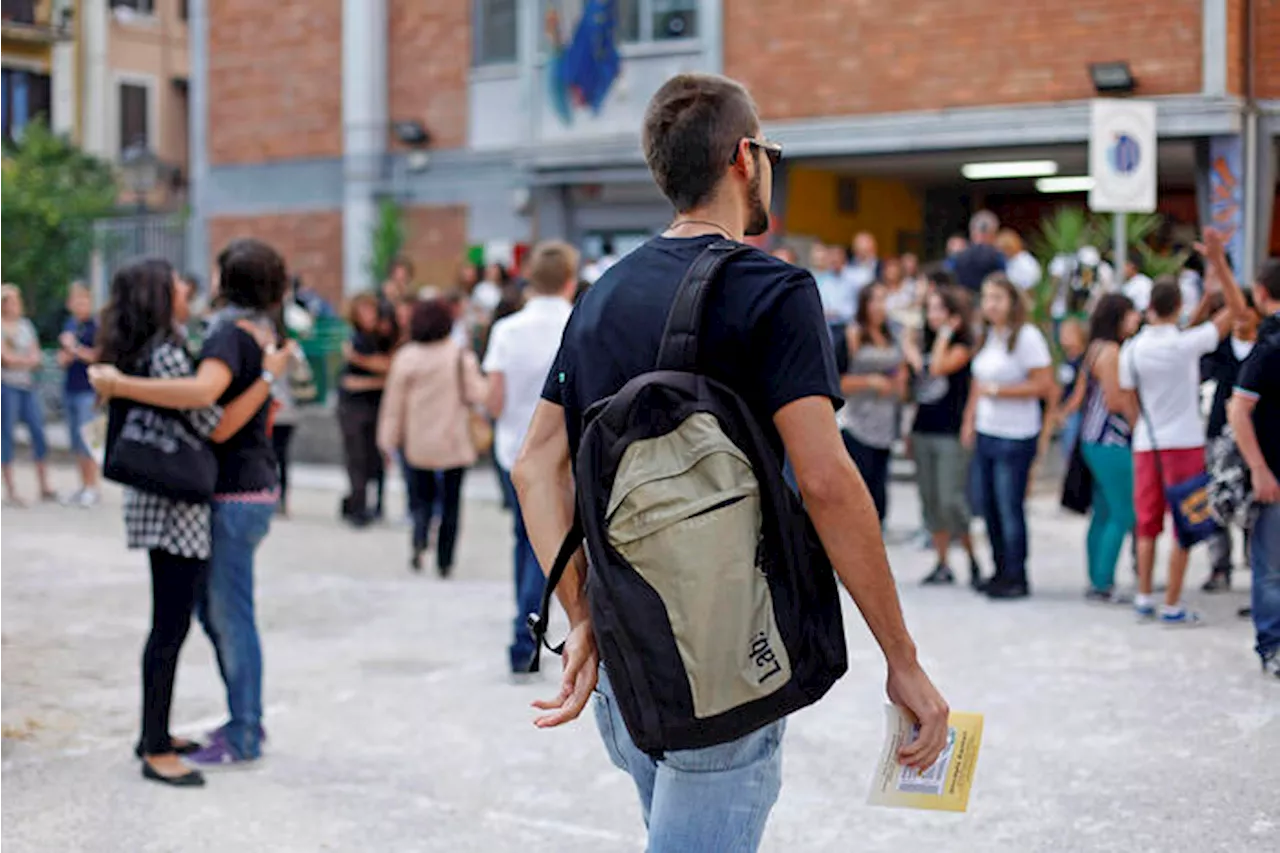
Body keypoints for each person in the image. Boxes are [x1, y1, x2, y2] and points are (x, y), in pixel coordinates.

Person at [513, 72, 949, 851]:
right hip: (729, 656)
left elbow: (534, 464)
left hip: (625, 651)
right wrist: (902, 658)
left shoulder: (602, 294)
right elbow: (825, 480)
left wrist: (581, 615)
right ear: (745, 158)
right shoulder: (773, 290)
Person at [93, 239, 294, 767]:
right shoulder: (253, 332)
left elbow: (213, 412)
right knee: (201, 617)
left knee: (221, 617)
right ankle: (197, 731)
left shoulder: (225, 334)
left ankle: (240, 731)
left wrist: (121, 385)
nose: (190, 285)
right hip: (222, 491)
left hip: (229, 492)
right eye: (178, 282)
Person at [1119, 232, 1247, 625]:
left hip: (1147, 444)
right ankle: (1172, 603)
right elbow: (1239, 312)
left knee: (1147, 523)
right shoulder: (1187, 345)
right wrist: (1220, 270)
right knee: (1184, 525)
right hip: (1186, 444)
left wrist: (1141, 425)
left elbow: (1126, 399)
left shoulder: (1132, 349)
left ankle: (1144, 596)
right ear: (1178, 306)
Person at [482, 241, 577, 675]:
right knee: (560, 544)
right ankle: (550, 630)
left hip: (513, 450)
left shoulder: (507, 330)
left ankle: (524, 635)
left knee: (525, 539)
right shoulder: (577, 323)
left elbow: (495, 400)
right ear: (570, 280)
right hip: (567, 453)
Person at [377, 298, 488, 577]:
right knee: (451, 502)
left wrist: (388, 439)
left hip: (417, 441)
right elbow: (478, 394)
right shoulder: (459, 356)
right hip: (453, 439)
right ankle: (445, 560)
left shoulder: (407, 356)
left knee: (420, 497)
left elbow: (394, 404)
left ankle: (419, 537)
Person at [962, 273, 1055, 600]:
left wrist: (1001, 391)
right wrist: (970, 419)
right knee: (988, 507)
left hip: (1015, 435)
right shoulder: (989, 335)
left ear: (1012, 302)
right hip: (988, 430)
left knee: (1008, 506)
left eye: (998, 298)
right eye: (987, 297)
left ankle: (1016, 574)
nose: (991, 304)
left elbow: (1044, 384)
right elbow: (977, 382)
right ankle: (999, 569)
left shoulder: (1026, 337)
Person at [1066, 294, 1141, 601]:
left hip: (1092, 440)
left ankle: (1097, 578)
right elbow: (1115, 400)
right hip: (1111, 441)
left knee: (1103, 512)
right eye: (1132, 313)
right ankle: (1103, 582)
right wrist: (1140, 424)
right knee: (1124, 512)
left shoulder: (1095, 348)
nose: (1137, 319)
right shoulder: (1110, 352)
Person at [1227, 257, 1280, 679]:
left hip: (1272, 472)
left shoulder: (1270, 343)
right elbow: (1239, 410)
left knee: (1270, 568)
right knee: (1270, 567)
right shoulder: (1269, 344)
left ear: (1261, 294)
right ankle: (1273, 644)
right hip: (1274, 477)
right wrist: (1260, 469)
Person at [909, 286, 980, 586]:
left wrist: (945, 334)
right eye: (931, 309)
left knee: (951, 499)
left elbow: (938, 367)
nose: (933, 315)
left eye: (940, 309)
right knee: (930, 500)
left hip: (950, 432)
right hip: (923, 428)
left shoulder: (960, 345)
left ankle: (973, 557)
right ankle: (942, 563)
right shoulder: (924, 341)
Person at [1196, 288, 1261, 591]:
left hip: (1256, 436)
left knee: (1256, 504)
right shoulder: (1219, 348)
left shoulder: (1266, 349)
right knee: (1218, 500)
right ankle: (1219, 566)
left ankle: (1256, 567)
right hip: (1220, 433)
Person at [839, 283, 906, 522]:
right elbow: (838, 381)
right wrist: (870, 381)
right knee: (860, 493)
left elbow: (901, 368)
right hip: (857, 422)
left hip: (886, 422)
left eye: (883, 300)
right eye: (874, 300)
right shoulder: (853, 332)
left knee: (879, 495)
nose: (879, 306)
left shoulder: (893, 333)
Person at [338, 293, 391, 527]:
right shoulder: (355, 338)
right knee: (357, 457)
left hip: (376, 404)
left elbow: (390, 366)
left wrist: (361, 362)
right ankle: (357, 506)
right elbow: (349, 382)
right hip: (353, 406)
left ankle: (373, 504)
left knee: (375, 458)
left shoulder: (382, 338)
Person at [0, 283, 54, 505]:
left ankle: (44, 486)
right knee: (6, 436)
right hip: (7, 387)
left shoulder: (25, 326)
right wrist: (25, 361)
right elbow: (6, 360)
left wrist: (19, 361)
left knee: (38, 432)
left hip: (27, 387)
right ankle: (10, 490)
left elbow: (36, 357)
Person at [57, 283, 102, 507]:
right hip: (71, 388)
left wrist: (74, 348)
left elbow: (99, 356)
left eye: (83, 300)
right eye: (76, 300)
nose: (79, 305)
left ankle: (93, 487)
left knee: (90, 440)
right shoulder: (70, 325)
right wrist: (65, 355)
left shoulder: (97, 326)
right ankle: (83, 485)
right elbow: (62, 359)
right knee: (76, 441)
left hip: (89, 391)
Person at [949, 211, 1006, 291]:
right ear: (994, 234)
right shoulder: (998, 256)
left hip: (963, 299)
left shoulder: (958, 256)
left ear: (972, 233)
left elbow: (947, 273)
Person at [844, 231, 881, 301]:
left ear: (873, 249)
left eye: (865, 251)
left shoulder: (882, 267)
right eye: (858, 251)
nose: (862, 255)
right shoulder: (847, 268)